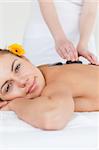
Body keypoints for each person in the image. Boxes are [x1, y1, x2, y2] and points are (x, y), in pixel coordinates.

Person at [0, 46, 99, 130]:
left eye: (17, 67)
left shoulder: (56, 85)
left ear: (25, 59)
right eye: (8, 87)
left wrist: (14, 104)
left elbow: (51, 117)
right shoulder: (42, 71)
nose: (22, 81)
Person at [24, 0, 98, 65]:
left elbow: (90, 11)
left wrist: (83, 45)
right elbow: (46, 3)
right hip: (43, 38)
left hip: (82, 40)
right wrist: (60, 38)